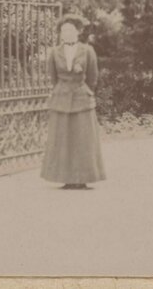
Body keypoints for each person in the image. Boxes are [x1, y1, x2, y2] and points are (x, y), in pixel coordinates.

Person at [40, 13, 106, 189]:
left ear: (77, 32)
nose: (66, 33)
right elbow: (53, 77)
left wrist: (85, 91)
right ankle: (66, 179)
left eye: (70, 30)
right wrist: (61, 90)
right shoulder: (54, 52)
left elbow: (93, 77)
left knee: (83, 139)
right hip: (61, 100)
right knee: (62, 139)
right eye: (63, 31)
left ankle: (82, 179)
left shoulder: (87, 51)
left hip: (82, 99)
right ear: (60, 34)